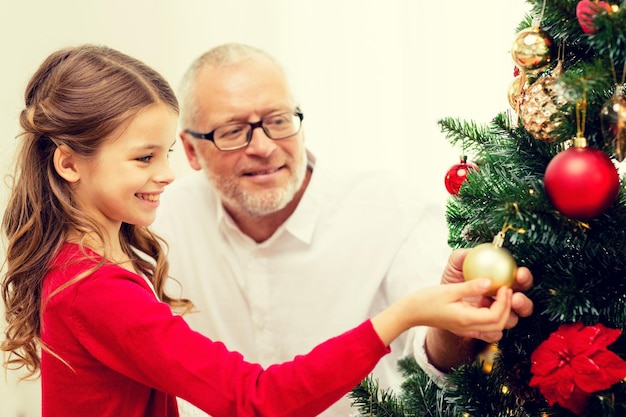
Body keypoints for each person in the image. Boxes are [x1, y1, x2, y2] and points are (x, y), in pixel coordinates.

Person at [0, 44, 519, 417]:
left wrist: (440, 315)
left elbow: (438, 369)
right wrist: (400, 315)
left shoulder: (86, 266)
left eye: (277, 120)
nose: (166, 173)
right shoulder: (99, 286)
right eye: (144, 157)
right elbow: (258, 400)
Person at [150, 42, 534, 417]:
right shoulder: (159, 222)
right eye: (233, 131)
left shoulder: (392, 208)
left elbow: (431, 360)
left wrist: (456, 323)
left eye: (279, 121)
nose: (264, 147)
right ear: (190, 150)